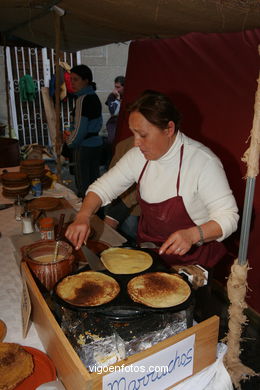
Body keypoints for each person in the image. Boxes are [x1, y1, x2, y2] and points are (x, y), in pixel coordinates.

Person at [65, 90, 239, 269]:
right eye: (134, 134)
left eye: (143, 135)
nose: (136, 142)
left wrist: (193, 235)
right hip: (151, 257)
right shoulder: (137, 156)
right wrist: (84, 215)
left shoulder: (202, 162)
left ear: (169, 129)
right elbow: (103, 188)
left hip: (194, 263)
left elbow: (229, 217)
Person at [64, 64, 103, 198]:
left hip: (84, 147)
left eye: (76, 79)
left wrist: (68, 144)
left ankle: (87, 216)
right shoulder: (94, 97)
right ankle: (98, 214)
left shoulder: (83, 99)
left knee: (83, 186)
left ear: (86, 80)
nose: (72, 83)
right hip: (96, 145)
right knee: (95, 184)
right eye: (71, 79)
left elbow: (80, 129)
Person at [105, 76, 125, 146]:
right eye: (115, 87)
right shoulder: (112, 96)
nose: (116, 89)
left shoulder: (128, 95)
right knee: (112, 141)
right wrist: (117, 99)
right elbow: (114, 112)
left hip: (124, 123)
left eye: (118, 87)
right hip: (114, 123)